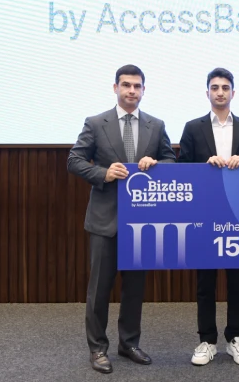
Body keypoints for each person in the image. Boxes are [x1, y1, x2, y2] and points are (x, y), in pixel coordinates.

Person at [67, 64, 176, 374]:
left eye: (137, 86)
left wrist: (156, 163)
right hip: (105, 220)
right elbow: (74, 160)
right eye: (126, 85)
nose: (131, 90)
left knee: (134, 289)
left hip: (142, 222)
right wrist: (103, 173)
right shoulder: (95, 123)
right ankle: (97, 349)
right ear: (115, 88)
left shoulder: (156, 125)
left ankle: (128, 343)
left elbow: (171, 159)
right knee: (99, 289)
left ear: (143, 90)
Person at [177, 67, 239, 367]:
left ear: (233, 93)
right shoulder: (192, 127)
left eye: (225, 87)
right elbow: (182, 168)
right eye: (215, 87)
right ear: (208, 92)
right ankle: (207, 340)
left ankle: (236, 337)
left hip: (238, 214)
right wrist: (204, 164)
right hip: (205, 213)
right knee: (205, 281)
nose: (220, 92)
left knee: (238, 280)